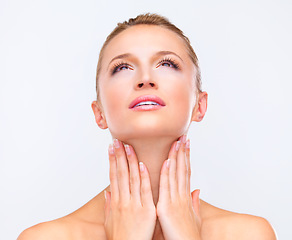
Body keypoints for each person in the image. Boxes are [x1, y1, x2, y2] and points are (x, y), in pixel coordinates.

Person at [18, 13, 277, 240]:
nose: (145, 79)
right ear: (99, 114)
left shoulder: (250, 234)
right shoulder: (44, 238)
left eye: (166, 64)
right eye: (122, 67)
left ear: (200, 105)